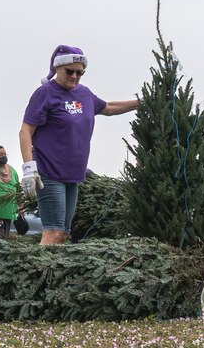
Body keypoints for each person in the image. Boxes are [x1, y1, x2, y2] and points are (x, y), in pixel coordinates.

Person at [20, 46, 140, 244]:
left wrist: (141, 103)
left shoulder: (84, 94)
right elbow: (26, 130)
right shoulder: (45, 93)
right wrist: (29, 168)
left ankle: (51, 271)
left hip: (73, 174)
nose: (75, 76)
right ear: (58, 68)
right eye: (70, 71)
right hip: (49, 172)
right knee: (53, 232)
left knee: (63, 234)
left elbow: (108, 108)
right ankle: (39, 272)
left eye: (80, 72)